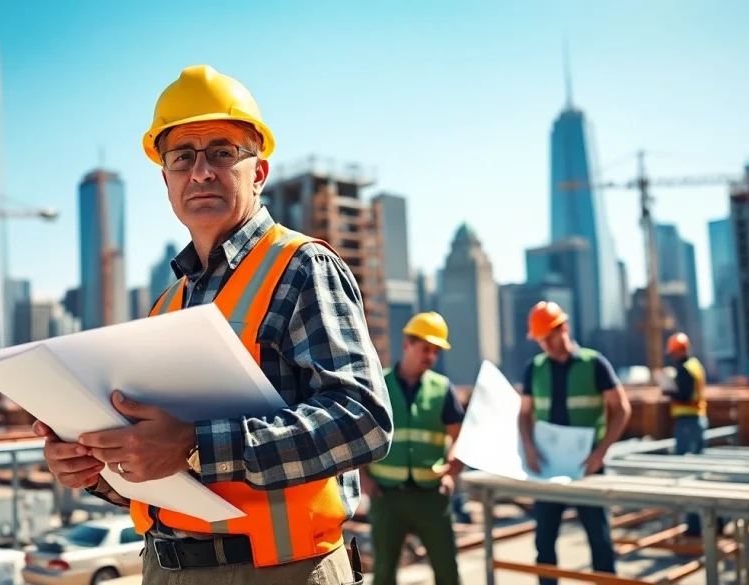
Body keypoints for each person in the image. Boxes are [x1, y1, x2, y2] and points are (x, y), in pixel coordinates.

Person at [33, 64, 392, 585]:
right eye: (182, 157)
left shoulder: (301, 267)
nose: (200, 171)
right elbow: (163, 471)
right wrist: (95, 466)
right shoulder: (166, 305)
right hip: (167, 569)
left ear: (259, 172)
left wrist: (195, 444)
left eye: (222, 152)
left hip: (283, 572)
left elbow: (364, 421)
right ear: (166, 179)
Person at [518, 301, 632, 585]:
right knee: (544, 544)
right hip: (547, 468)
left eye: (547, 337)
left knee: (600, 543)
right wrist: (529, 449)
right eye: (540, 340)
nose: (544, 345)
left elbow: (622, 408)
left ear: (563, 328)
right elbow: (524, 414)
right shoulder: (534, 369)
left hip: (588, 469)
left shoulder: (594, 364)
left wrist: (600, 453)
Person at [362, 311, 465, 585]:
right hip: (387, 497)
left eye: (436, 351)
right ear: (407, 344)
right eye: (426, 349)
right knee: (383, 574)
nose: (431, 356)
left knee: (447, 572)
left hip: (432, 497)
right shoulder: (378, 385)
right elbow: (359, 435)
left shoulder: (442, 389)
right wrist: (364, 480)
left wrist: (451, 473)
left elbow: (460, 438)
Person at [662, 332, 710, 538]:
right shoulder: (696, 366)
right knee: (699, 472)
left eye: (674, 352)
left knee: (687, 474)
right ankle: (710, 520)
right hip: (698, 420)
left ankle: (695, 526)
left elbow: (685, 395)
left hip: (687, 424)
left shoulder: (684, 369)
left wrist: (669, 392)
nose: (673, 356)